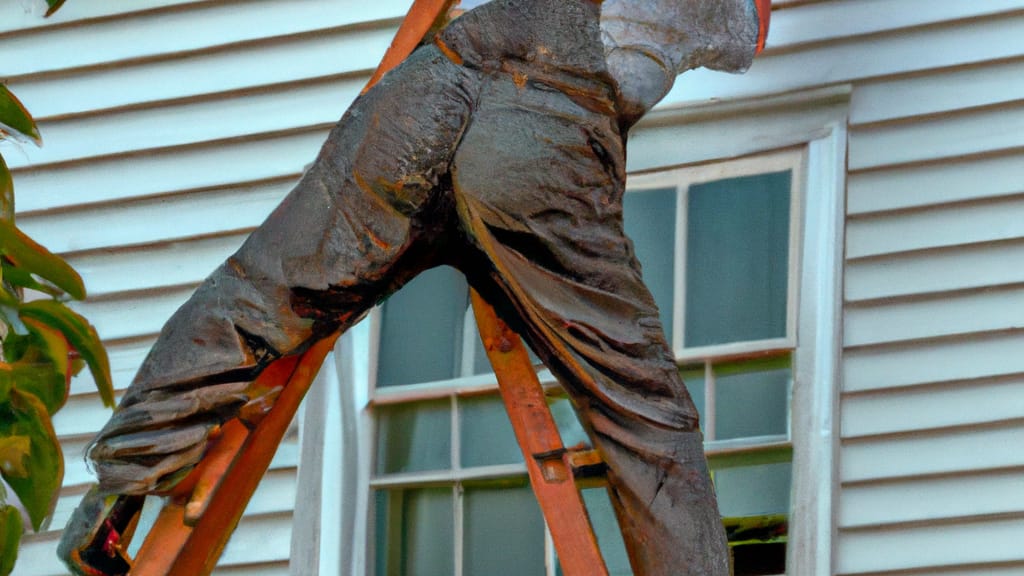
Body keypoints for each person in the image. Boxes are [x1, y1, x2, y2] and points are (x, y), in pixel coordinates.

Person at [66, 0, 768, 573]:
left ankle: (112, 498)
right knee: (641, 408)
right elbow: (753, 28)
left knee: (262, 290)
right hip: (542, 129)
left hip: (427, 88)